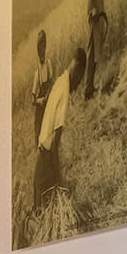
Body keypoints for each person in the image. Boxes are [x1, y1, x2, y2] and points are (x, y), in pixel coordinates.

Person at [35, 45, 84, 209]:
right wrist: (58, 180)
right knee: (44, 211)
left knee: (40, 206)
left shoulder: (59, 80)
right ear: (76, 68)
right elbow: (54, 144)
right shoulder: (64, 92)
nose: (78, 83)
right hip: (46, 160)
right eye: (80, 76)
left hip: (41, 151)